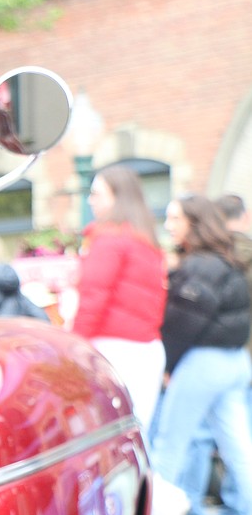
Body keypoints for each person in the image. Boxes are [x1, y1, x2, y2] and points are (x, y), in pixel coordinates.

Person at [145, 195, 252, 515]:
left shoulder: (201, 266)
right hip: (233, 360)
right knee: (238, 448)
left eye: (175, 218)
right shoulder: (226, 261)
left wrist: (168, 365)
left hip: (203, 362)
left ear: (194, 222)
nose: (169, 224)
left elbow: (182, 323)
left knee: (169, 442)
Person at [70, 164, 167, 435]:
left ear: (116, 197)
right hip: (147, 348)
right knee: (137, 437)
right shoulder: (147, 241)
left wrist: (75, 344)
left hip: (113, 348)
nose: (91, 200)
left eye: (97, 193)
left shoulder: (108, 239)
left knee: (107, 438)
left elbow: (93, 297)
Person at [178, 194, 252, 515]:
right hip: (238, 355)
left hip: (214, 355)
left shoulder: (210, 260)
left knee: (188, 440)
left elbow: (194, 315)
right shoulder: (236, 256)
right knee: (238, 443)